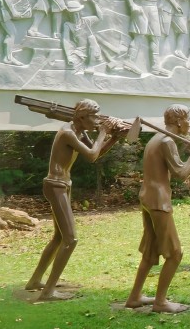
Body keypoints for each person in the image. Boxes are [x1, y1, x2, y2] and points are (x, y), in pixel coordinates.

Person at [25, 99, 125, 300]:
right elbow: (91, 156)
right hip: (56, 185)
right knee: (71, 240)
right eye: (94, 117)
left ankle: (35, 281)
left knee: (59, 237)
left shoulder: (80, 132)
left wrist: (114, 137)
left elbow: (96, 154)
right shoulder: (68, 132)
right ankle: (48, 291)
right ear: (82, 116)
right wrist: (104, 132)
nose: (97, 121)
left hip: (62, 185)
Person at [126, 104, 190, 313]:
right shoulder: (167, 141)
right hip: (158, 201)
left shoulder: (157, 139)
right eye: (187, 118)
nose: (189, 123)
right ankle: (160, 302)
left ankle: (134, 297)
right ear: (179, 121)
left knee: (150, 251)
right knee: (175, 254)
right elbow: (180, 173)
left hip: (147, 197)